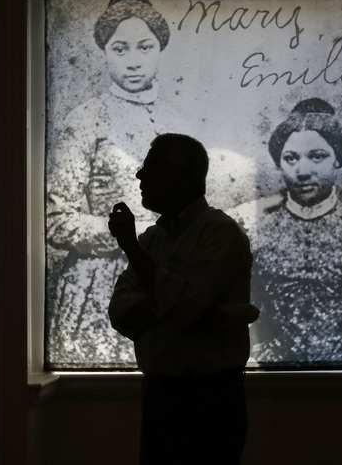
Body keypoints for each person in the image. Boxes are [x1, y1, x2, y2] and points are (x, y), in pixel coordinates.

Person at [46, 0, 197, 367]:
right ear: (104, 52)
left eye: (144, 47)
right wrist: (134, 234)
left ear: (160, 48)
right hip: (97, 283)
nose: (133, 60)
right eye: (120, 48)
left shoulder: (179, 124)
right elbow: (57, 221)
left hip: (164, 282)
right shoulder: (85, 121)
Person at [107, 133, 257, 465]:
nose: (139, 176)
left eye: (151, 168)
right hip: (160, 397)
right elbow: (119, 312)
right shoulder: (151, 239)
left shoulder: (221, 233)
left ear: (183, 177)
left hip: (211, 401)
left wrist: (131, 249)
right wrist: (184, 308)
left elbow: (183, 309)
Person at [230, 97, 342, 366]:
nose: (303, 171)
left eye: (317, 156)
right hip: (266, 373)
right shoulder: (251, 225)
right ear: (279, 163)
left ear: (338, 159)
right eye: (291, 158)